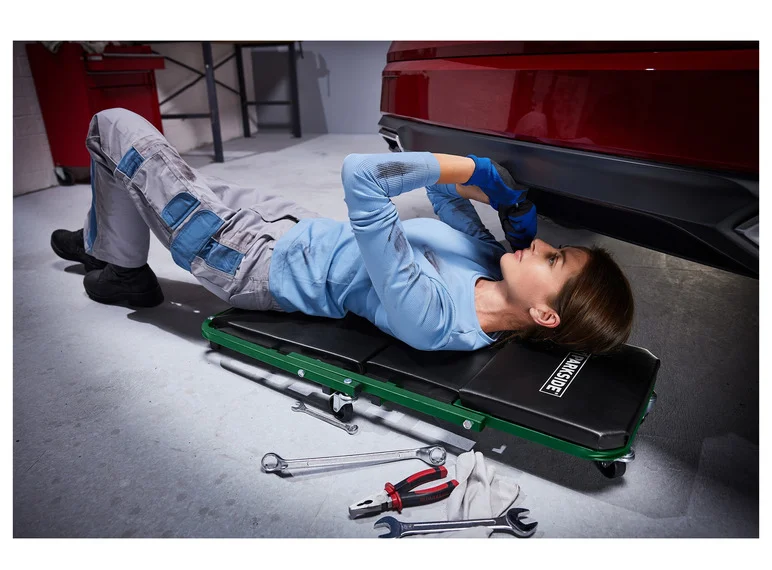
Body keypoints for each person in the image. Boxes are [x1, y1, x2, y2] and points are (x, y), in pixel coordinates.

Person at [51, 108, 634, 354]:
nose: (541, 245)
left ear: (545, 315)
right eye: (557, 248)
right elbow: (439, 193)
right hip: (297, 226)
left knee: (115, 130)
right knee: (152, 174)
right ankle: (109, 249)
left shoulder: (436, 318)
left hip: (249, 260)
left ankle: (121, 265)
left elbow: (362, 177)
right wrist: (507, 201)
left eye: (553, 260)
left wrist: (479, 172)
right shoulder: (490, 263)